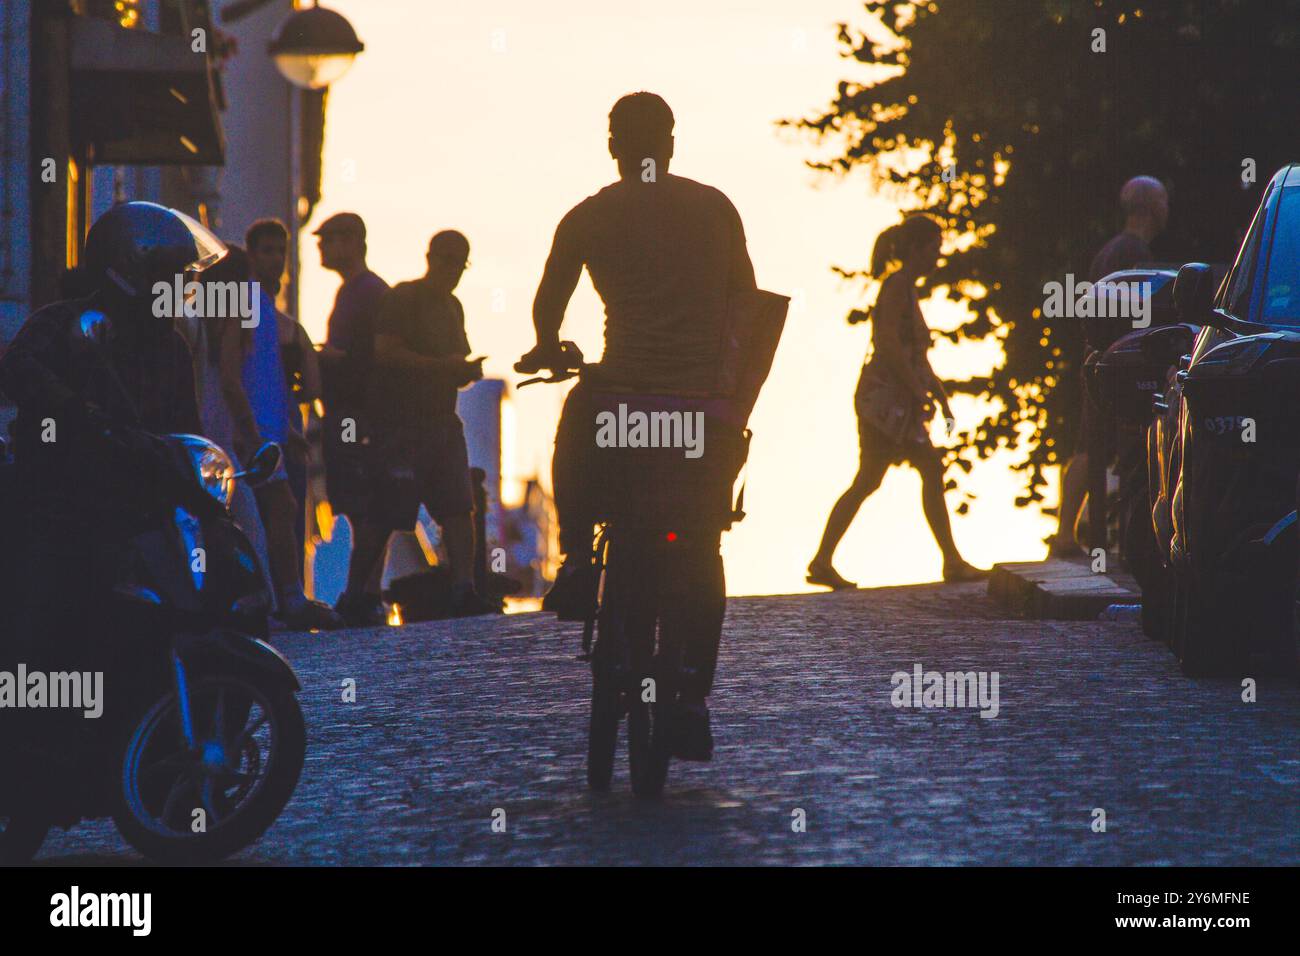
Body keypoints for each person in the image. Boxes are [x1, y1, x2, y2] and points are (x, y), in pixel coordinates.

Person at [519, 92, 758, 759]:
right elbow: (749, 303)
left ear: (613, 146)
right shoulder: (715, 209)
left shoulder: (589, 216)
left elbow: (548, 309)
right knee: (704, 548)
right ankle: (690, 696)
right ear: (672, 143)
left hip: (617, 408)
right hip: (698, 416)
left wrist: (548, 348)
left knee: (573, 430)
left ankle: (572, 558)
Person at [0, 202, 223, 782]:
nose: (180, 289)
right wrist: (72, 407)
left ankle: (143, 741)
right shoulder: (66, 322)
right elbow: (16, 367)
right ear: (133, 272)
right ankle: (24, 748)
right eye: (172, 277)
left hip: (135, 514)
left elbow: (185, 430)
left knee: (175, 611)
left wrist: (205, 490)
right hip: (58, 505)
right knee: (38, 626)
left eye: (184, 278)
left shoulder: (172, 347)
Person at [808, 214, 985, 590]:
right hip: (884, 405)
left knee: (886, 476)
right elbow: (888, 344)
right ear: (918, 249)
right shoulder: (896, 286)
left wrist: (938, 395)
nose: (938, 257)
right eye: (935, 248)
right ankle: (951, 561)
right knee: (888, 476)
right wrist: (919, 391)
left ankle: (823, 560)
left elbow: (914, 355)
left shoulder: (906, 288)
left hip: (896, 405)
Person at [196, 245, 342, 631]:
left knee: (264, 513)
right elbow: (232, 379)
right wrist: (253, 433)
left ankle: (274, 599)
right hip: (242, 435)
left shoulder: (209, 309)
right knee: (270, 514)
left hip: (232, 432)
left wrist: (283, 428)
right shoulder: (239, 309)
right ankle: (278, 602)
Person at [364, 230, 494, 617]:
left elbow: (456, 368)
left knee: (459, 508)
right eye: (447, 260)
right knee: (385, 513)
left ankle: (463, 588)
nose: (452, 270)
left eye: (459, 263)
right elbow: (385, 352)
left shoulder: (453, 306)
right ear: (431, 258)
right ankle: (358, 592)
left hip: (442, 422)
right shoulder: (404, 298)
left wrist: (463, 371)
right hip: (403, 426)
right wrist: (444, 367)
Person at [1049, 175, 1169, 554]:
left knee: (1089, 445)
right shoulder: (1133, 255)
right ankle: (1088, 538)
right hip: (1116, 365)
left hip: (1098, 359)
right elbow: (1135, 312)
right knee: (1109, 446)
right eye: (1164, 202)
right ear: (1152, 207)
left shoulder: (1109, 250)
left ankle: (1066, 534)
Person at [313, 212, 391, 626]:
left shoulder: (367, 292)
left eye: (327, 240)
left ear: (351, 242)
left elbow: (369, 358)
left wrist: (323, 356)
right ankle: (365, 591)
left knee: (364, 503)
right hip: (352, 411)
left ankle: (364, 593)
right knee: (360, 503)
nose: (321, 248)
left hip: (357, 413)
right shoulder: (356, 291)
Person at [246, 217, 323, 572]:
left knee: (287, 505)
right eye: (268, 251)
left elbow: (311, 386)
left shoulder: (287, 325)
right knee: (274, 506)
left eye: (281, 251)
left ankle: (286, 591)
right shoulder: (252, 312)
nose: (277, 258)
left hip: (283, 415)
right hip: (265, 417)